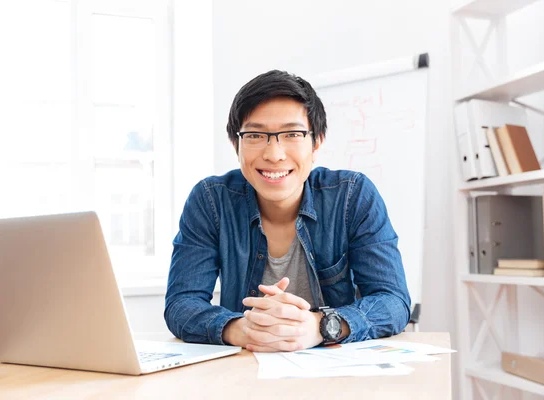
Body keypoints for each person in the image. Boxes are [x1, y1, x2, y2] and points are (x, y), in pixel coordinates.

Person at [164, 70, 411, 352]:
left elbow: (392, 300)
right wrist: (241, 329)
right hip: (245, 370)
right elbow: (181, 304)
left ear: (316, 143)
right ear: (236, 144)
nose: (274, 154)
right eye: (256, 135)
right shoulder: (210, 200)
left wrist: (320, 326)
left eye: (292, 134)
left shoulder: (352, 195)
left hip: (337, 373)